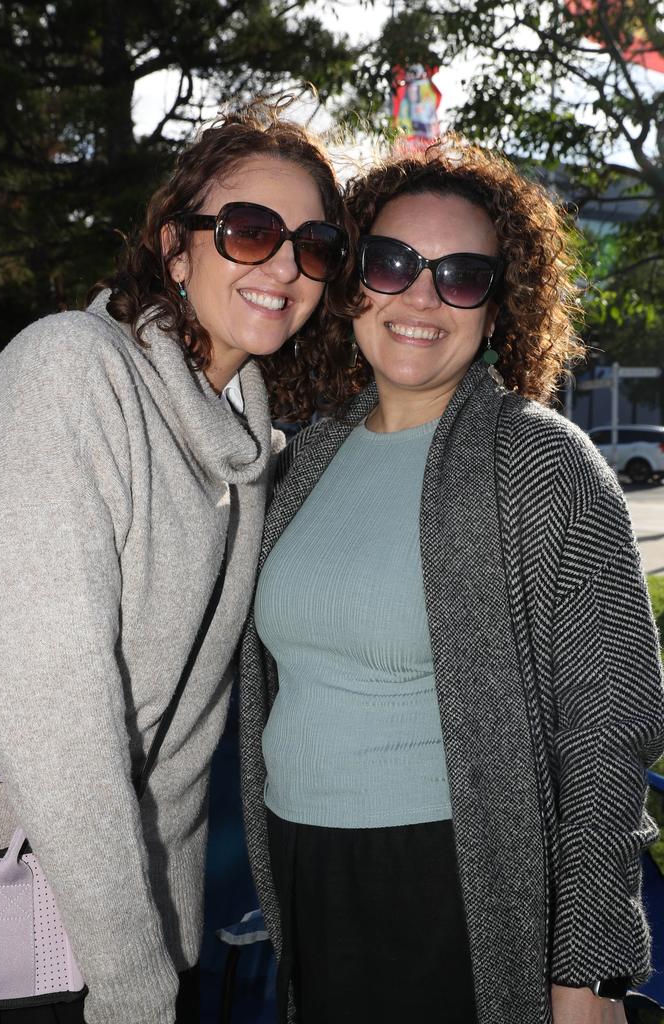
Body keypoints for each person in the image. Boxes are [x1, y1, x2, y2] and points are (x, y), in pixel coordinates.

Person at [0, 102, 355, 1024]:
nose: (282, 265)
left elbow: (183, 745)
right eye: (249, 230)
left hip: (116, 927)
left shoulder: (240, 441)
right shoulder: (69, 373)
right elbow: (55, 716)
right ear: (175, 247)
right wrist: (134, 980)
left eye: (314, 244)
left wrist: (167, 943)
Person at [239, 137, 664, 1024]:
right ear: (351, 281)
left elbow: (608, 730)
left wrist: (587, 972)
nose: (421, 297)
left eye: (461, 275)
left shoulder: (542, 462)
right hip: (301, 870)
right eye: (392, 263)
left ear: (499, 307)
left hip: (453, 886)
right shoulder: (308, 455)